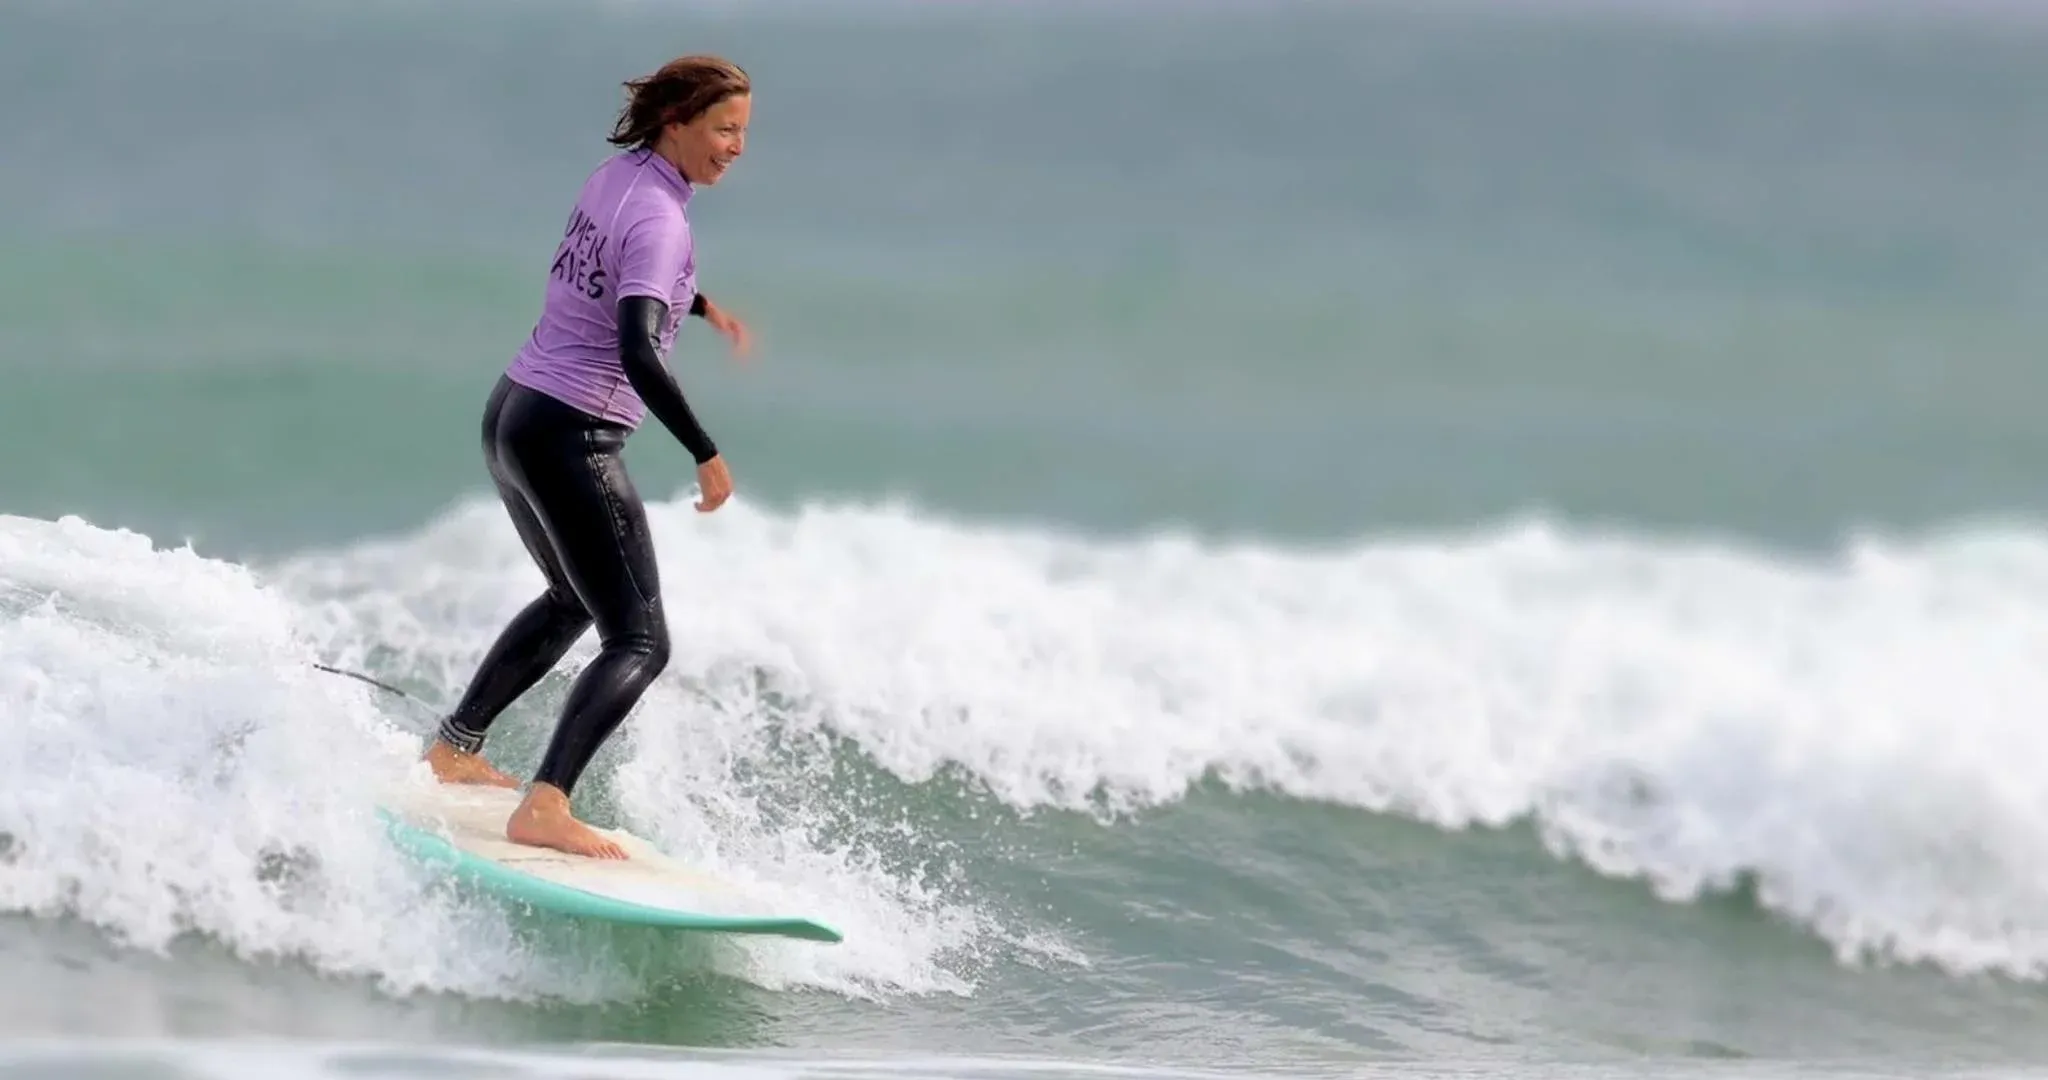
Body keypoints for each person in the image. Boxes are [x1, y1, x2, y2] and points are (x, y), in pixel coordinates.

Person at [419, 55, 755, 860]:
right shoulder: (662, 220)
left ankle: (455, 747)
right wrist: (705, 452)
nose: (738, 147)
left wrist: (698, 305)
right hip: (573, 431)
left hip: (515, 412)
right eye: (724, 129)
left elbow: (618, 275)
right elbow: (639, 350)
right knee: (640, 641)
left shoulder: (620, 178)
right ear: (676, 123)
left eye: (743, 131)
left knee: (572, 597)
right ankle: (546, 804)